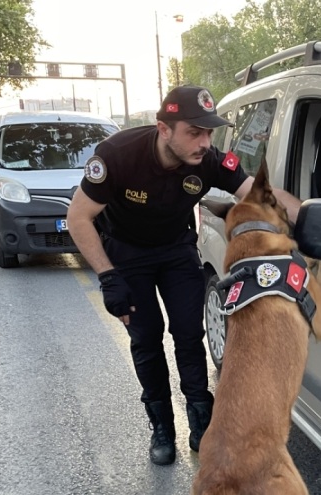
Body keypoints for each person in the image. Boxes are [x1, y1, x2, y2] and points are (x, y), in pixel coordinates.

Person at [66, 85, 302, 466]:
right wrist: (109, 276)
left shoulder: (208, 161)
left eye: (208, 132)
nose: (205, 142)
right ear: (163, 129)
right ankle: (161, 426)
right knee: (146, 340)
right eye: (194, 132)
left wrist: (305, 216)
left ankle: (201, 421)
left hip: (176, 249)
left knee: (190, 335)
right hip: (127, 254)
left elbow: (261, 196)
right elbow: (78, 218)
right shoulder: (117, 156)